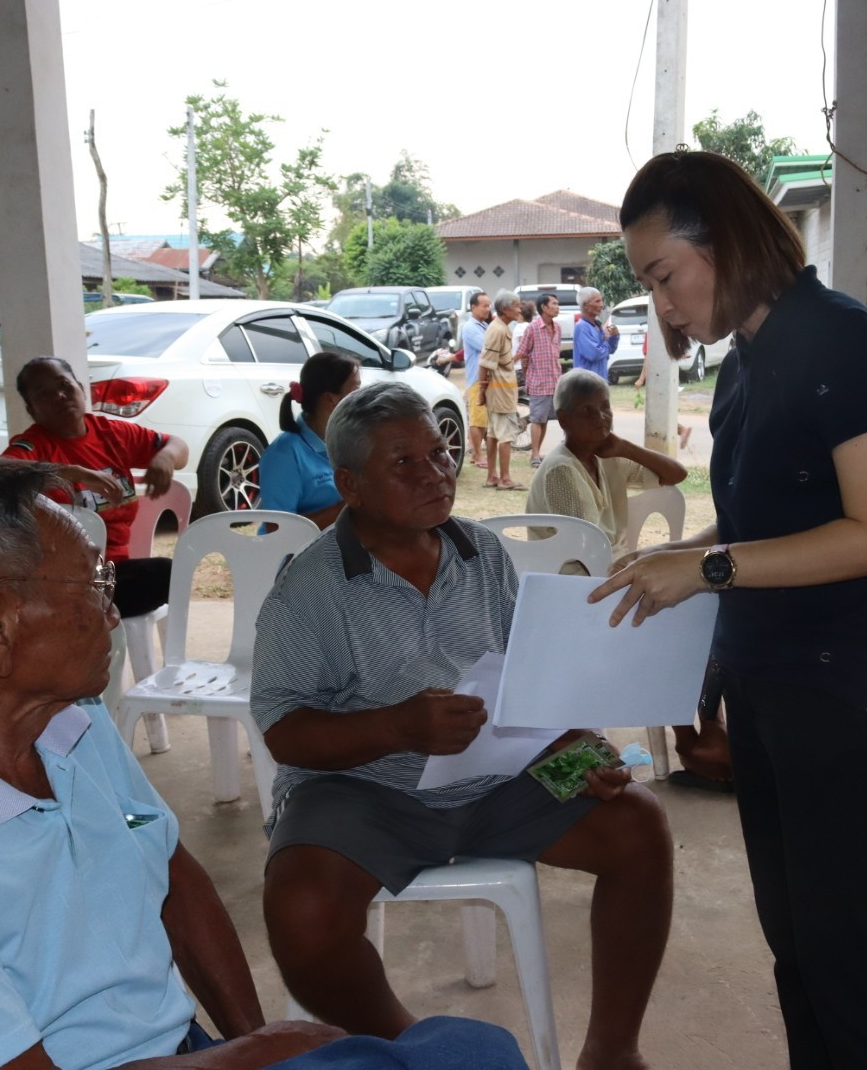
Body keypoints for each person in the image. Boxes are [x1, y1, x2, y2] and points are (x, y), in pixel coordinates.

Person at [0, 464, 530, 1070]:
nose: (113, 610)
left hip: (186, 1052)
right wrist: (244, 1058)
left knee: (475, 1049)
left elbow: (173, 873)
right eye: (93, 582)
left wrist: (253, 1042)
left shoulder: (73, 723)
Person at [590, 150, 867, 1068]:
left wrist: (705, 567)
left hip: (851, 692)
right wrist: (685, 554)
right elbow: (765, 522)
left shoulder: (838, 340)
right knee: (800, 954)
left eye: (665, 275)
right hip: (776, 684)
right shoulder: (748, 361)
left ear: (729, 238)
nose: (661, 305)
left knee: (852, 962)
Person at [252, 382, 673, 1070]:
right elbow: (284, 731)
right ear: (351, 485)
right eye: (406, 464)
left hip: (496, 777)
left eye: (442, 453)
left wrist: (580, 742)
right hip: (366, 789)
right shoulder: (310, 587)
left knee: (637, 823)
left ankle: (611, 1051)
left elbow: (532, 678)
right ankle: (421, 1047)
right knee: (301, 911)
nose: (438, 473)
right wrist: (395, 727)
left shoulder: (480, 554)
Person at [0, 355, 188, 621]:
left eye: (65, 385)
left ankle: (90, 620)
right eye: (44, 394)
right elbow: (0, 469)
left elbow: (178, 446)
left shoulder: (111, 433)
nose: (60, 396)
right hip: (60, 580)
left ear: (80, 388)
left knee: (174, 573)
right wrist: (71, 472)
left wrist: (165, 457)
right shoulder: (35, 445)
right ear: (32, 409)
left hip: (110, 573)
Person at [526, 368, 686, 564]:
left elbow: (676, 474)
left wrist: (626, 448)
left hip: (609, 567)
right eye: (586, 410)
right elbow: (586, 552)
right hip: (573, 578)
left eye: (605, 407)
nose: (600, 417)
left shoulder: (608, 457)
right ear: (563, 419)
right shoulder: (561, 469)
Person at [258, 351, 360, 529]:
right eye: (355, 391)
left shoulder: (351, 440)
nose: (362, 399)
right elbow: (277, 530)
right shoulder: (284, 454)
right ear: (330, 399)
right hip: (299, 555)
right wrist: (349, 507)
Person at [478, 290, 526, 490]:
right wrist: (481, 392)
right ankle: (504, 479)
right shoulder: (497, 329)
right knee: (504, 435)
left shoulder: (501, 328)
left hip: (501, 391)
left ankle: (492, 477)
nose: (519, 309)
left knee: (494, 434)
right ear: (505, 309)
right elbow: (485, 363)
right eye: (516, 306)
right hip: (500, 392)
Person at [515, 293, 563, 467]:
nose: (558, 307)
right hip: (538, 381)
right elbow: (522, 353)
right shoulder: (533, 328)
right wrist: (527, 375)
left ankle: (538, 451)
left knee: (545, 420)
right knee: (537, 419)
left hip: (554, 381)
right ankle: (534, 455)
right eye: (554, 304)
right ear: (544, 307)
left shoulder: (557, 328)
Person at [462, 291, 492, 468]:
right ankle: (477, 454)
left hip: (486, 379)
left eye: (489, 306)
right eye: (484, 306)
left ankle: (477, 453)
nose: (488, 309)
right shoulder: (470, 327)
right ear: (474, 307)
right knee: (477, 418)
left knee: (483, 419)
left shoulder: (483, 326)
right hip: (476, 379)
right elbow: (487, 347)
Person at [572, 287, 619, 378]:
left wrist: (614, 336)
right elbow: (594, 354)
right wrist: (606, 342)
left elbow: (610, 350)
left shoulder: (598, 326)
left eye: (601, 301)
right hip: (586, 382)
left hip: (600, 379)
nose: (601, 305)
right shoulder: (581, 327)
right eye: (597, 301)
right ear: (585, 305)